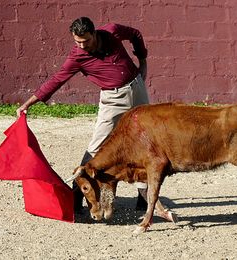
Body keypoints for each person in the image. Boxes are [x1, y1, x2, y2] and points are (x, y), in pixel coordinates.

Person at [16, 17, 150, 213]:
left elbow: (135, 34)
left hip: (137, 88)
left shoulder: (112, 31)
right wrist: (27, 104)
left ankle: (143, 197)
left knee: (143, 142)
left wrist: (143, 60)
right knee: (96, 146)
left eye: (85, 41)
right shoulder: (77, 56)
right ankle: (76, 194)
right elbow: (56, 80)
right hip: (112, 99)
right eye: (77, 41)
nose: (81, 45)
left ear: (94, 33)